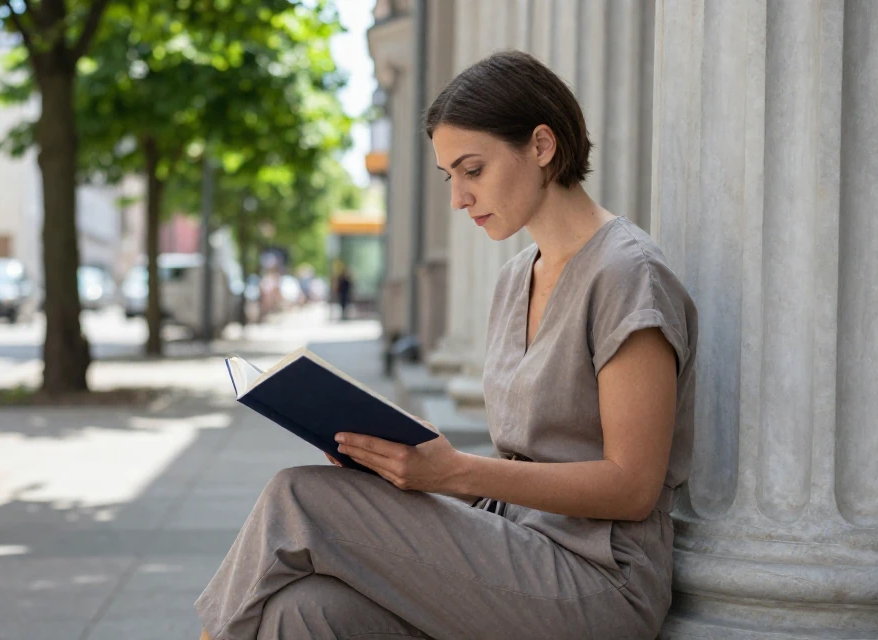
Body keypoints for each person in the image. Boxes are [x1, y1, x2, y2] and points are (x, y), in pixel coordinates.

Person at [196, 50, 697, 639]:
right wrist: (399, 456)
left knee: (297, 499)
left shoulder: (626, 274)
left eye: (473, 170)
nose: (459, 198)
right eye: (450, 177)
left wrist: (453, 473)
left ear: (541, 146)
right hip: (512, 547)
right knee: (303, 612)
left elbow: (633, 486)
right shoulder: (517, 277)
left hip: (597, 580)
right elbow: (524, 458)